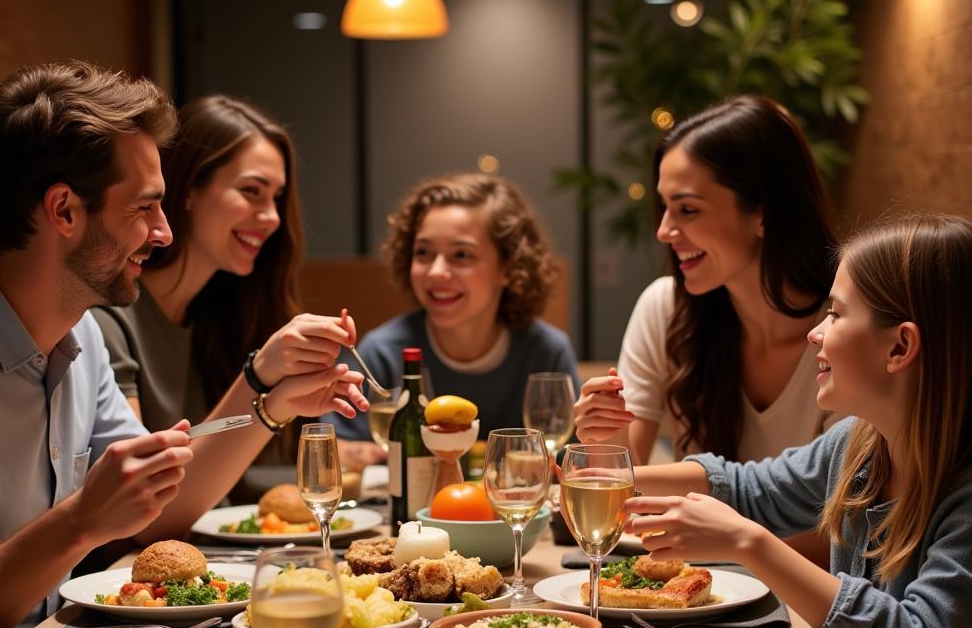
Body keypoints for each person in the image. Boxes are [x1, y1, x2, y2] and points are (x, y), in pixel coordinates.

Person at [0, 61, 365, 628]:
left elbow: (160, 510)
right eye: (146, 207)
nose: (164, 233)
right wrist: (80, 523)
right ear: (63, 211)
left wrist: (273, 402)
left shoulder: (81, 337)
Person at [624, 213, 972, 628]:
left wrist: (747, 542)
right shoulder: (859, 445)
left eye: (836, 314)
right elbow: (750, 487)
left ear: (900, 346)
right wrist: (617, 478)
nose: (815, 332)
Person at [574, 95, 839, 466]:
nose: (664, 231)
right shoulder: (666, 310)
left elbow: (844, 513)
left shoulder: (845, 333)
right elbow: (622, 501)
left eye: (688, 209)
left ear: (763, 212)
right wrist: (606, 438)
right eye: (664, 207)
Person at [92, 95, 336, 495]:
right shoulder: (108, 320)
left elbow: (232, 478)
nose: (272, 217)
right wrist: (259, 381)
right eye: (252, 191)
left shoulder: (222, 311)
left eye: (276, 197)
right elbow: (145, 504)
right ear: (188, 189)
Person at [334, 173, 580, 465]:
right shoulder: (383, 350)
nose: (437, 271)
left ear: (509, 267)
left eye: (461, 255)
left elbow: (573, 457)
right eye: (423, 252)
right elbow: (335, 448)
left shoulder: (545, 350)